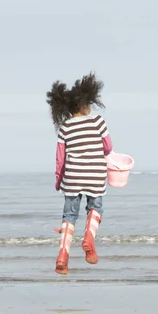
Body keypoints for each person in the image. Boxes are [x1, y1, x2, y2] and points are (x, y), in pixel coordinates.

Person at [46, 72, 113, 274]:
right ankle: (89, 241)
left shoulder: (65, 127)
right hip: (95, 174)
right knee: (95, 208)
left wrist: (59, 181)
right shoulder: (98, 122)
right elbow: (108, 147)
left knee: (69, 216)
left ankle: (62, 258)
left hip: (72, 177)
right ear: (87, 103)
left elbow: (60, 159)